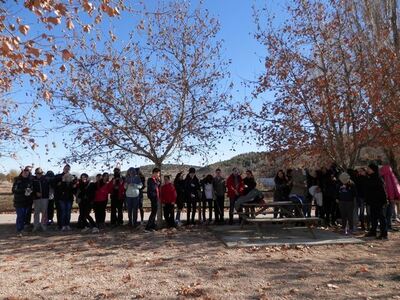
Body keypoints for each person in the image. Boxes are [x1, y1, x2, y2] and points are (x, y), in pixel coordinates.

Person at [365, 163, 388, 239]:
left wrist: (385, 201)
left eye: (369, 169)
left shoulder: (378, 179)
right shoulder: (369, 177)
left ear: (373, 170)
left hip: (379, 202)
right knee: (373, 217)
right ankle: (373, 232)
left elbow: (383, 191)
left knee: (381, 217)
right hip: (372, 201)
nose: (367, 170)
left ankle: (384, 234)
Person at [12, 167, 34, 236]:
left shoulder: (30, 180)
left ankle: (23, 229)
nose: (25, 174)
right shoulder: (17, 180)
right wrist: (23, 190)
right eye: (24, 172)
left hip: (27, 202)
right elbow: (13, 190)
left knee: (25, 216)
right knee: (20, 216)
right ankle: (19, 230)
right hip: (19, 201)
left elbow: (32, 188)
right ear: (22, 173)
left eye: (27, 173)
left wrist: (30, 191)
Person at [54, 164, 76, 231]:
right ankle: (62, 225)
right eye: (66, 168)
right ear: (63, 169)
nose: (67, 170)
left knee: (68, 212)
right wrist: (63, 181)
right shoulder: (58, 176)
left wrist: (73, 183)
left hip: (69, 198)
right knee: (62, 212)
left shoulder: (72, 177)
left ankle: (67, 225)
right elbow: (58, 188)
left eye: (68, 169)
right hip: (61, 198)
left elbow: (72, 189)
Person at [380, 164, 400, 231]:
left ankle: (385, 226)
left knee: (385, 213)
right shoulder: (392, 176)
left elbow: (389, 188)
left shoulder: (383, 177)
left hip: (386, 198)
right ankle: (389, 225)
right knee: (389, 213)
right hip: (392, 198)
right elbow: (395, 187)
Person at [32, 167, 50, 232]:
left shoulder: (46, 179)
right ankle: (36, 226)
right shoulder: (33, 180)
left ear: (42, 173)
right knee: (36, 212)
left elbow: (50, 187)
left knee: (44, 212)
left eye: (40, 173)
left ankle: (43, 225)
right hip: (36, 198)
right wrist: (35, 193)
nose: (39, 174)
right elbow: (31, 188)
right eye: (37, 173)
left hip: (45, 198)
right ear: (35, 173)